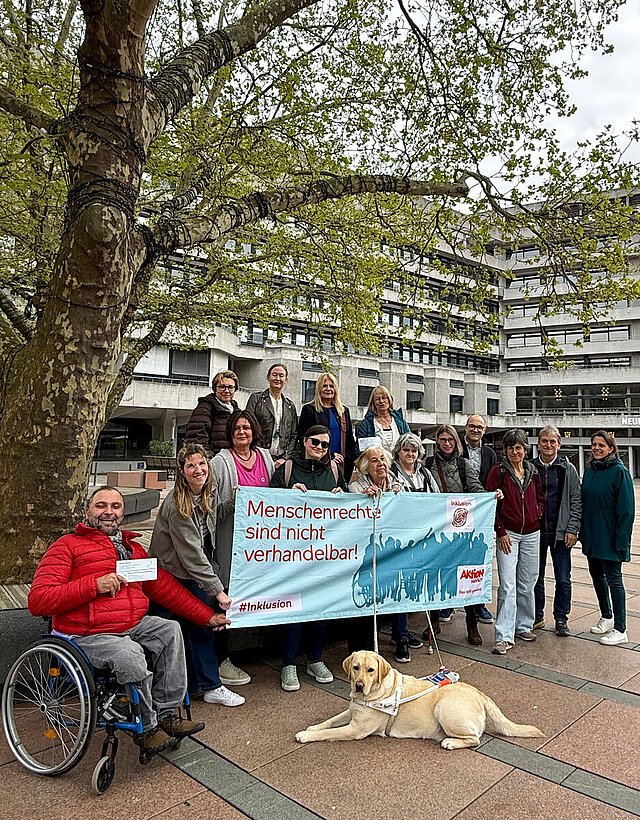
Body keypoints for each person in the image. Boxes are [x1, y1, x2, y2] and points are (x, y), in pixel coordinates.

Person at [28, 487, 230, 756]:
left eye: (115, 506)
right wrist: (93, 585)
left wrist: (207, 616)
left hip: (131, 625)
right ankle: (147, 728)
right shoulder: (67, 546)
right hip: (87, 633)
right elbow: (39, 600)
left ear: (123, 514)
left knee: (170, 629)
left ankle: (167, 715)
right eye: (101, 506)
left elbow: (164, 588)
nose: (108, 512)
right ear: (87, 512)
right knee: (129, 651)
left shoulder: (132, 549)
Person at [148, 444, 244, 707]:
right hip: (172, 575)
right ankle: (208, 685)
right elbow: (191, 554)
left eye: (201, 463)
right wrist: (217, 590)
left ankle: (197, 685)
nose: (198, 469)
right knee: (199, 623)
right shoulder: (177, 504)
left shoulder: (206, 493)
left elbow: (214, 518)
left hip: (188, 573)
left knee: (193, 628)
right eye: (190, 465)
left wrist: (234, 502)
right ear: (182, 472)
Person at [271, 425, 347, 691]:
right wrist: (288, 495)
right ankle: (289, 663)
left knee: (319, 608)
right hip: (292, 552)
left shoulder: (334, 470)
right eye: (315, 442)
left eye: (325, 444)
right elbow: (269, 502)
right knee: (292, 607)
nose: (320, 448)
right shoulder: (287, 469)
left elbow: (348, 505)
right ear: (304, 441)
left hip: (324, 553)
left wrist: (342, 497)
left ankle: (316, 658)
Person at [211, 410, 276, 684]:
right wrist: (231, 503)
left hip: (260, 544)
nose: (242, 432)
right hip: (231, 544)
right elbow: (211, 512)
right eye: (237, 427)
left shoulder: (266, 458)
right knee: (226, 598)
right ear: (230, 432)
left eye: (247, 427)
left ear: (254, 431)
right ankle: (222, 661)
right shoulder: (219, 463)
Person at [350, 446, 415, 662]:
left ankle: (401, 637)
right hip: (368, 553)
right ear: (366, 468)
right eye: (375, 461)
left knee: (400, 589)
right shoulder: (356, 487)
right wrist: (362, 498)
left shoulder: (399, 485)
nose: (381, 464)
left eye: (383, 460)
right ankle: (367, 649)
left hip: (394, 549)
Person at [424, 424, 486, 646]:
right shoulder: (428, 464)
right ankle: (433, 621)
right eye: (443, 439)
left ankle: (472, 623)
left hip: (461, 529)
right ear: (437, 442)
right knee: (434, 575)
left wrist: (488, 498)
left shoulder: (463, 464)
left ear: (456, 442)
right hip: (437, 529)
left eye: (450, 439)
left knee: (467, 574)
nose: (447, 443)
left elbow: (476, 488)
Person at [486, 429, 544, 655]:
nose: (514, 451)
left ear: (525, 449)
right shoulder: (498, 472)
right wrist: (500, 531)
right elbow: (491, 503)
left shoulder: (532, 471)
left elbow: (540, 497)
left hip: (532, 533)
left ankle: (523, 625)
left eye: (518, 447)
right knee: (507, 585)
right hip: (508, 534)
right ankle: (503, 635)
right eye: (510, 447)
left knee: (528, 582)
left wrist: (537, 512)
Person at [580, 430, 634, 646]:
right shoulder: (591, 470)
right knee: (597, 577)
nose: (596, 448)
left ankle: (621, 628)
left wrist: (621, 540)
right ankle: (607, 616)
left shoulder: (620, 472)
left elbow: (627, 510)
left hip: (610, 537)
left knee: (614, 580)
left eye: (601, 445)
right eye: (594, 444)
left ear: (611, 448)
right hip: (592, 536)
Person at [532, 426, 582, 637]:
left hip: (561, 533)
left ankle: (561, 618)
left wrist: (572, 528)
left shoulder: (567, 468)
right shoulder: (530, 467)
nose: (548, 445)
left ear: (559, 444)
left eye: (553, 441)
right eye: (544, 441)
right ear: (538, 444)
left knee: (563, 578)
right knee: (536, 577)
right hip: (536, 532)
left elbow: (576, 500)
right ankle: (537, 616)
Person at [459, 414, 497, 627]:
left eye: (479, 427)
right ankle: (449, 603)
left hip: (481, 511)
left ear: (484, 430)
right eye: (472, 426)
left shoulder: (490, 453)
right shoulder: (456, 448)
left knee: (480, 558)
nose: (475, 430)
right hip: (458, 509)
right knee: (456, 556)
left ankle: (479, 603)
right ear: (466, 427)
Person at [298, 372, 356, 481]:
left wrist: (348, 459)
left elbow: (350, 441)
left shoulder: (343, 411)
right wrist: (331, 455)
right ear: (319, 389)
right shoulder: (309, 410)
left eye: (331, 386)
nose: (328, 389)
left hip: (341, 465)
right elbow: (302, 438)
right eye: (324, 386)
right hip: (317, 463)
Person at [246, 364, 298, 467]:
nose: (277, 378)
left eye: (281, 375)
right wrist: (256, 452)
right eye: (274, 375)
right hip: (258, 456)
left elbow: (294, 435)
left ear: (286, 379)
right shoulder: (256, 399)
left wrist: (285, 458)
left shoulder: (289, 405)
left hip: (281, 460)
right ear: (268, 377)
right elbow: (248, 426)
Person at [185, 369, 240, 457]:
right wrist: (212, 460)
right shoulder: (204, 409)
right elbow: (197, 439)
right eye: (222, 387)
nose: (226, 391)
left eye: (230, 387)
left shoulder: (237, 411)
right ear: (215, 388)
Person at [356, 385, 410, 454]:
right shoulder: (366, 424)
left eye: (384, 398)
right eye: (377, 399)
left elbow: (410, 442)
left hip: (399, 460)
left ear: (389, 399)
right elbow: (360, 450)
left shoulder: (401, 422)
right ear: (373, 403)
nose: (381, 401)